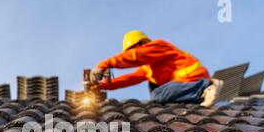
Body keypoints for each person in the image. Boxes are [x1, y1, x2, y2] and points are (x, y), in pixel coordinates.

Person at [90, 30, 224, 107]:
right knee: (153, 85)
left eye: (130, 50)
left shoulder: (158, 46)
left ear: (143, 43)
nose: (128, 54)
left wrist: (105, 64)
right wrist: (103, 86)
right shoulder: (148, 68)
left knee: (157, 95)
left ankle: (206, 87)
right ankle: (199, 96)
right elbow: (129, 79)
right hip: (183, 82)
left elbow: (135, 56)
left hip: (193, 77)